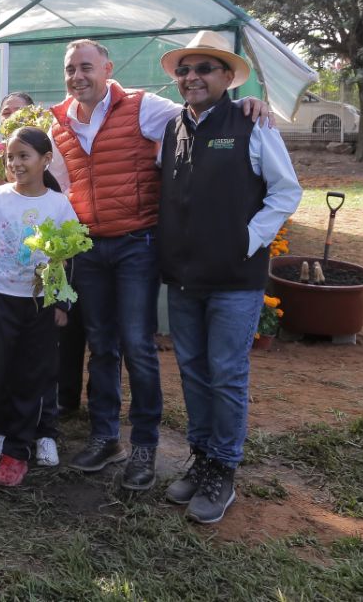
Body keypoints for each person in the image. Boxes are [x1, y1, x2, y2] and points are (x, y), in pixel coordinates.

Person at [51, 38, 269, 492]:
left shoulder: (145, 108)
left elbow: (201, 115)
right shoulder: (60, 125)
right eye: (71, 69)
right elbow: (58, 185)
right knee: (101, 345)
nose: (78, 76)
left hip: (136, 243)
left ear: (107, 68)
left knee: (137, 344)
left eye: (87, 66)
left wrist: (245, 103)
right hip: (90, 247)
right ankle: (105, 436)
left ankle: (145, 444)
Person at [156, 34, 301, 523]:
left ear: (226, 77)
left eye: (204, 69)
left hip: (235, 277)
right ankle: (201, 456)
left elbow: (286, 191)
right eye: (184, 70)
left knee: (228, 372)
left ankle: (224, 467)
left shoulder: (249, 121)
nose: (192, 77)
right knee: (194, 370)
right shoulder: (172, 126)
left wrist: (249, 239)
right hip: (183, 275)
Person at [0, 127, 76, 486]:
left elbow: (63, 259)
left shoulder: (58, 204)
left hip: (39, 304)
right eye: (10, 157)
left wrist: (60, 302)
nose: (16, 163)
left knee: (30, 377)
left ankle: (16, 453)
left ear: (45, 160)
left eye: (24, 156)